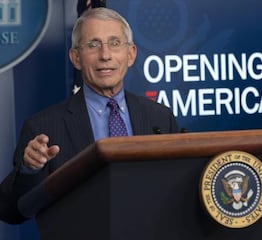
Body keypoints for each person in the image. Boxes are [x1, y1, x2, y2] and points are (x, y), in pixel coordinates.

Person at [0, 7, 179, 224]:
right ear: (76, 58)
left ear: (130, 54)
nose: (105, 55)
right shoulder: (43, 127)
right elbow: (10, 210)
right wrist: (31, 169)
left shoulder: (159, 118)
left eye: (114, 43)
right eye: (93, 45)